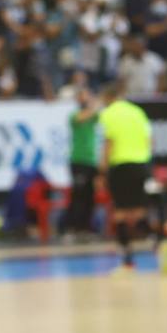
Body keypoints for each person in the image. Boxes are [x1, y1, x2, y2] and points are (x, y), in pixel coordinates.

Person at [99, 80, 157, 270]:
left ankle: (127, 256)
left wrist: (102, 171)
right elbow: (150, 140)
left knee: (121, 212)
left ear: (108, 97)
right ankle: (154, 240)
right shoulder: (137, 112)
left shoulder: (108, 114)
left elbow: (108, 143)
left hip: (120, 165)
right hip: (141, 163)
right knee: (139, 209)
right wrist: (148, 165)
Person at [64, 85, 101, 238]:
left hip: (91, 160)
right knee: (78, 195)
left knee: (89, 196)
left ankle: (86, 228)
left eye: (87, 96)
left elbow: (102, 115)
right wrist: (95, 104)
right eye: (82, 96)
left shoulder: (94, 116)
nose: (84, 99)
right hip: (78, 160)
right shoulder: (74, 115)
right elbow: (83, 117)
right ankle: (73, 228)